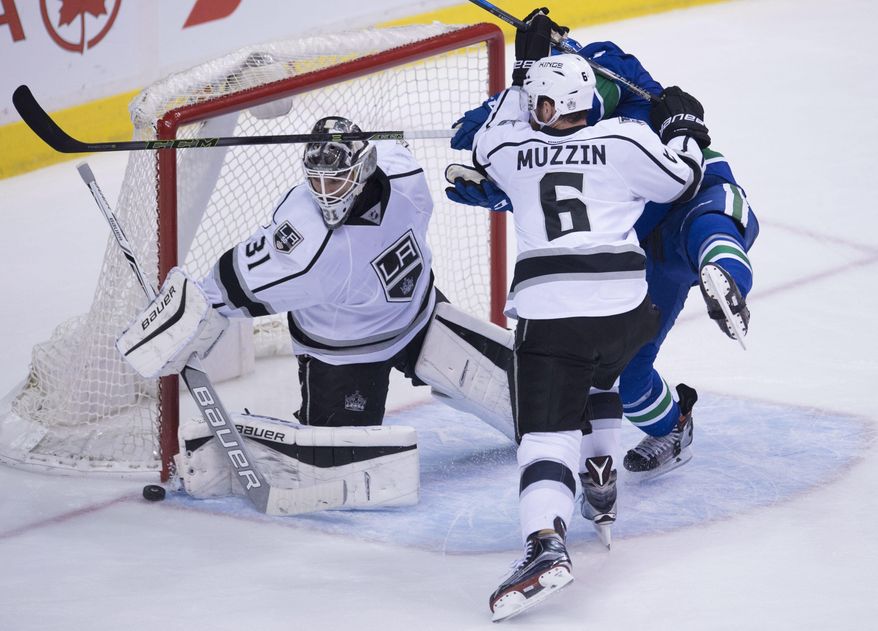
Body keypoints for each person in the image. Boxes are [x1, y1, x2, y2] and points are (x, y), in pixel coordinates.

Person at [466, 13, 709, 621]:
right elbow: (683, 178)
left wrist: (523, 66)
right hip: (628, 312)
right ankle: (600, 472)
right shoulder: (627, 140)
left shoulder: (510, 148)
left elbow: (490, 132)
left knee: (544, 439)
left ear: (546, 105)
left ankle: (545, 548)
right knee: (601, 378)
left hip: (555, 319)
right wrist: (683, 124)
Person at [446, 13, 759, 481]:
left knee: (708, 223)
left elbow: (639, 92)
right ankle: (675, 426)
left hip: (681, 191)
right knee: (630, 379)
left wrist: (680, 124)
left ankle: (725, 278)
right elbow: (485, 144)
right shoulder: (528, 105)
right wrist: (499, 185)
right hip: (623, 245)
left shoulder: (603, 66)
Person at [116, 116, 516, 438]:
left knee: (534, 399)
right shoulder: (305, 242)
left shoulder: (403, 173)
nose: (326, 191)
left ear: (366, 168)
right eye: (316, 180)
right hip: (345, 353)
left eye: (337, 179)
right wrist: (185, 317)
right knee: (342, 463)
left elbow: (398, 149)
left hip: (421, 316)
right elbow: (230, 284)